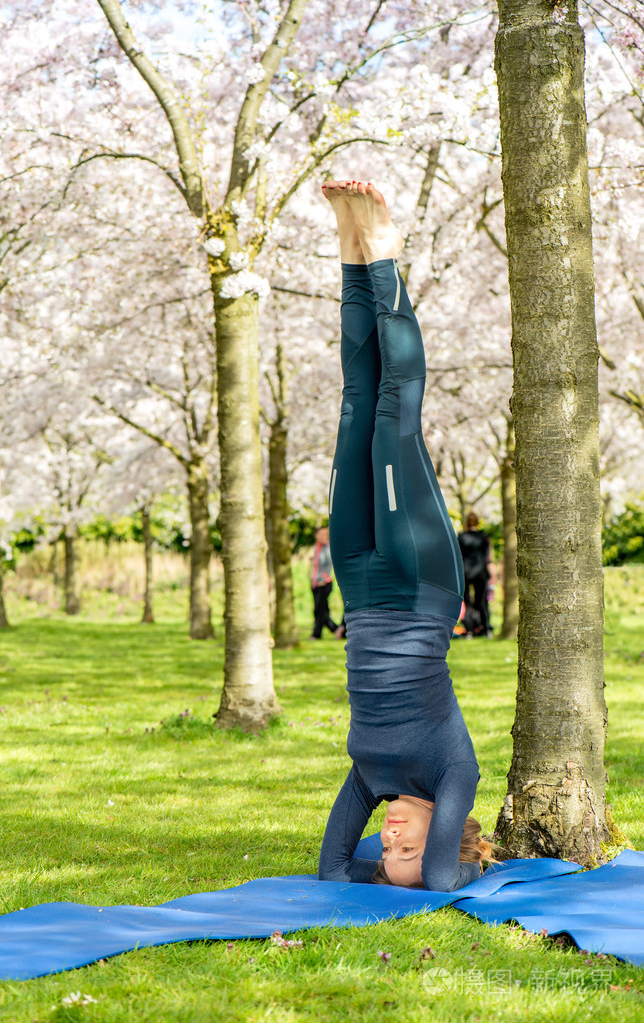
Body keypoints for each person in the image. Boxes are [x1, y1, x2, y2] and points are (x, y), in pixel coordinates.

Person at [317, 179, 492, 892]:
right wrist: (440, 870)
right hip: (420, 584)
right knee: (394, 416)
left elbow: (332, 868)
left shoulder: (370, 776)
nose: (389, 839)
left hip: (360, 590)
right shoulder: (453, 773)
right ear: (445, 832)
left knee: (355, 405)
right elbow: (445, 880)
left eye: (385, 851)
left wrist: (379, 875)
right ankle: (384, 252)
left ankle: (350, 252)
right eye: (406, 849)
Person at [458, 512, 493, 637]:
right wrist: (491, 574)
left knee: (467, 602)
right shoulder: (483, 537)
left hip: (466, 573)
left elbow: (459, 556)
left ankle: (469, 630)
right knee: (482, 601)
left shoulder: (461, 537)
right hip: (480, 572)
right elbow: (487, 558)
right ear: (477, 522)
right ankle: (486, 628)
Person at [309, 526, 340, 639]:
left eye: (325, 534)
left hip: (324, 583)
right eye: (321, 534)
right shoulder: (315, 548)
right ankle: (337, 629)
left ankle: (316, 634)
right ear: (316, 535)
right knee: (322, 610)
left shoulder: (327, 548)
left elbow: (328, 566)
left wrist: (322, 579)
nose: (324, 536)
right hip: (315, 584)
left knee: (319, 610)